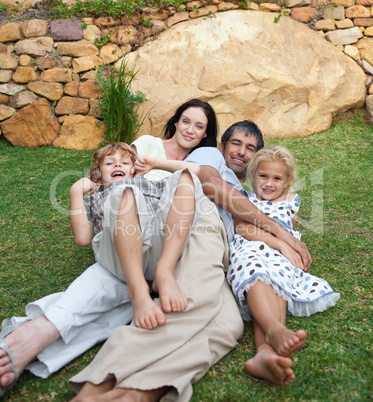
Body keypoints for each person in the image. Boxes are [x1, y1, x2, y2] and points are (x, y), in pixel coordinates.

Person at [69, 121, 313, 401]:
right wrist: (283, 236)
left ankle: (136, 393)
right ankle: (97, 386)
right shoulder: (210, 157)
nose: (242, 152)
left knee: (228, 327)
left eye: (251, 148)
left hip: (223, 254)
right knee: (192, 303)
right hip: (200, 228)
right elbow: (206, 182)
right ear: (220, 147)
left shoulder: (250, 192)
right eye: (236, 143)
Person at [0, 99, 218, 396]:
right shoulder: (127, 166)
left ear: (205, 133)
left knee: (183, 179)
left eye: (199, 126)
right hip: (116, 244)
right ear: (176, 121)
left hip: (155, 244)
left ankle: (158, 276)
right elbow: (87, 227)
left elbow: (194, 176)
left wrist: (155, 170)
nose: (190, 129)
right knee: (122, 195)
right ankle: (138, 292)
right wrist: (79, 190)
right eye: (185, 121)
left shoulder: (161, 177)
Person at [228, 146, 340, 385]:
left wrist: (290, 249)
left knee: (277, 281)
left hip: (281, 258)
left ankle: (264, 354)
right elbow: (242, 228)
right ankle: (275, 330)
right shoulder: (245, 199)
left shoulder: (291, 202)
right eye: (263, 176)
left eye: (277, 178)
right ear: (252, 175)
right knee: (256, 272)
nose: (269, 183)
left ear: (288, 181)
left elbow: (292, 230)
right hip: (250, 247)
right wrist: (281, 245)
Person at [72, 142, 204, 330]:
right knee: (124, 193)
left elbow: (196, 170)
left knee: (187, 177)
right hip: (119, 256)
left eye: (125, 163)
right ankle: (138, 291)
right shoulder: (95, 196)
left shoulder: (149, 184)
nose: (117, 165)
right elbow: (83, 238)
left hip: (157, 248)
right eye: (110, 163)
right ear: (98, 177)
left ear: (134, 171)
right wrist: (75, 191)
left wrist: (155, 163)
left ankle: (164, 271)